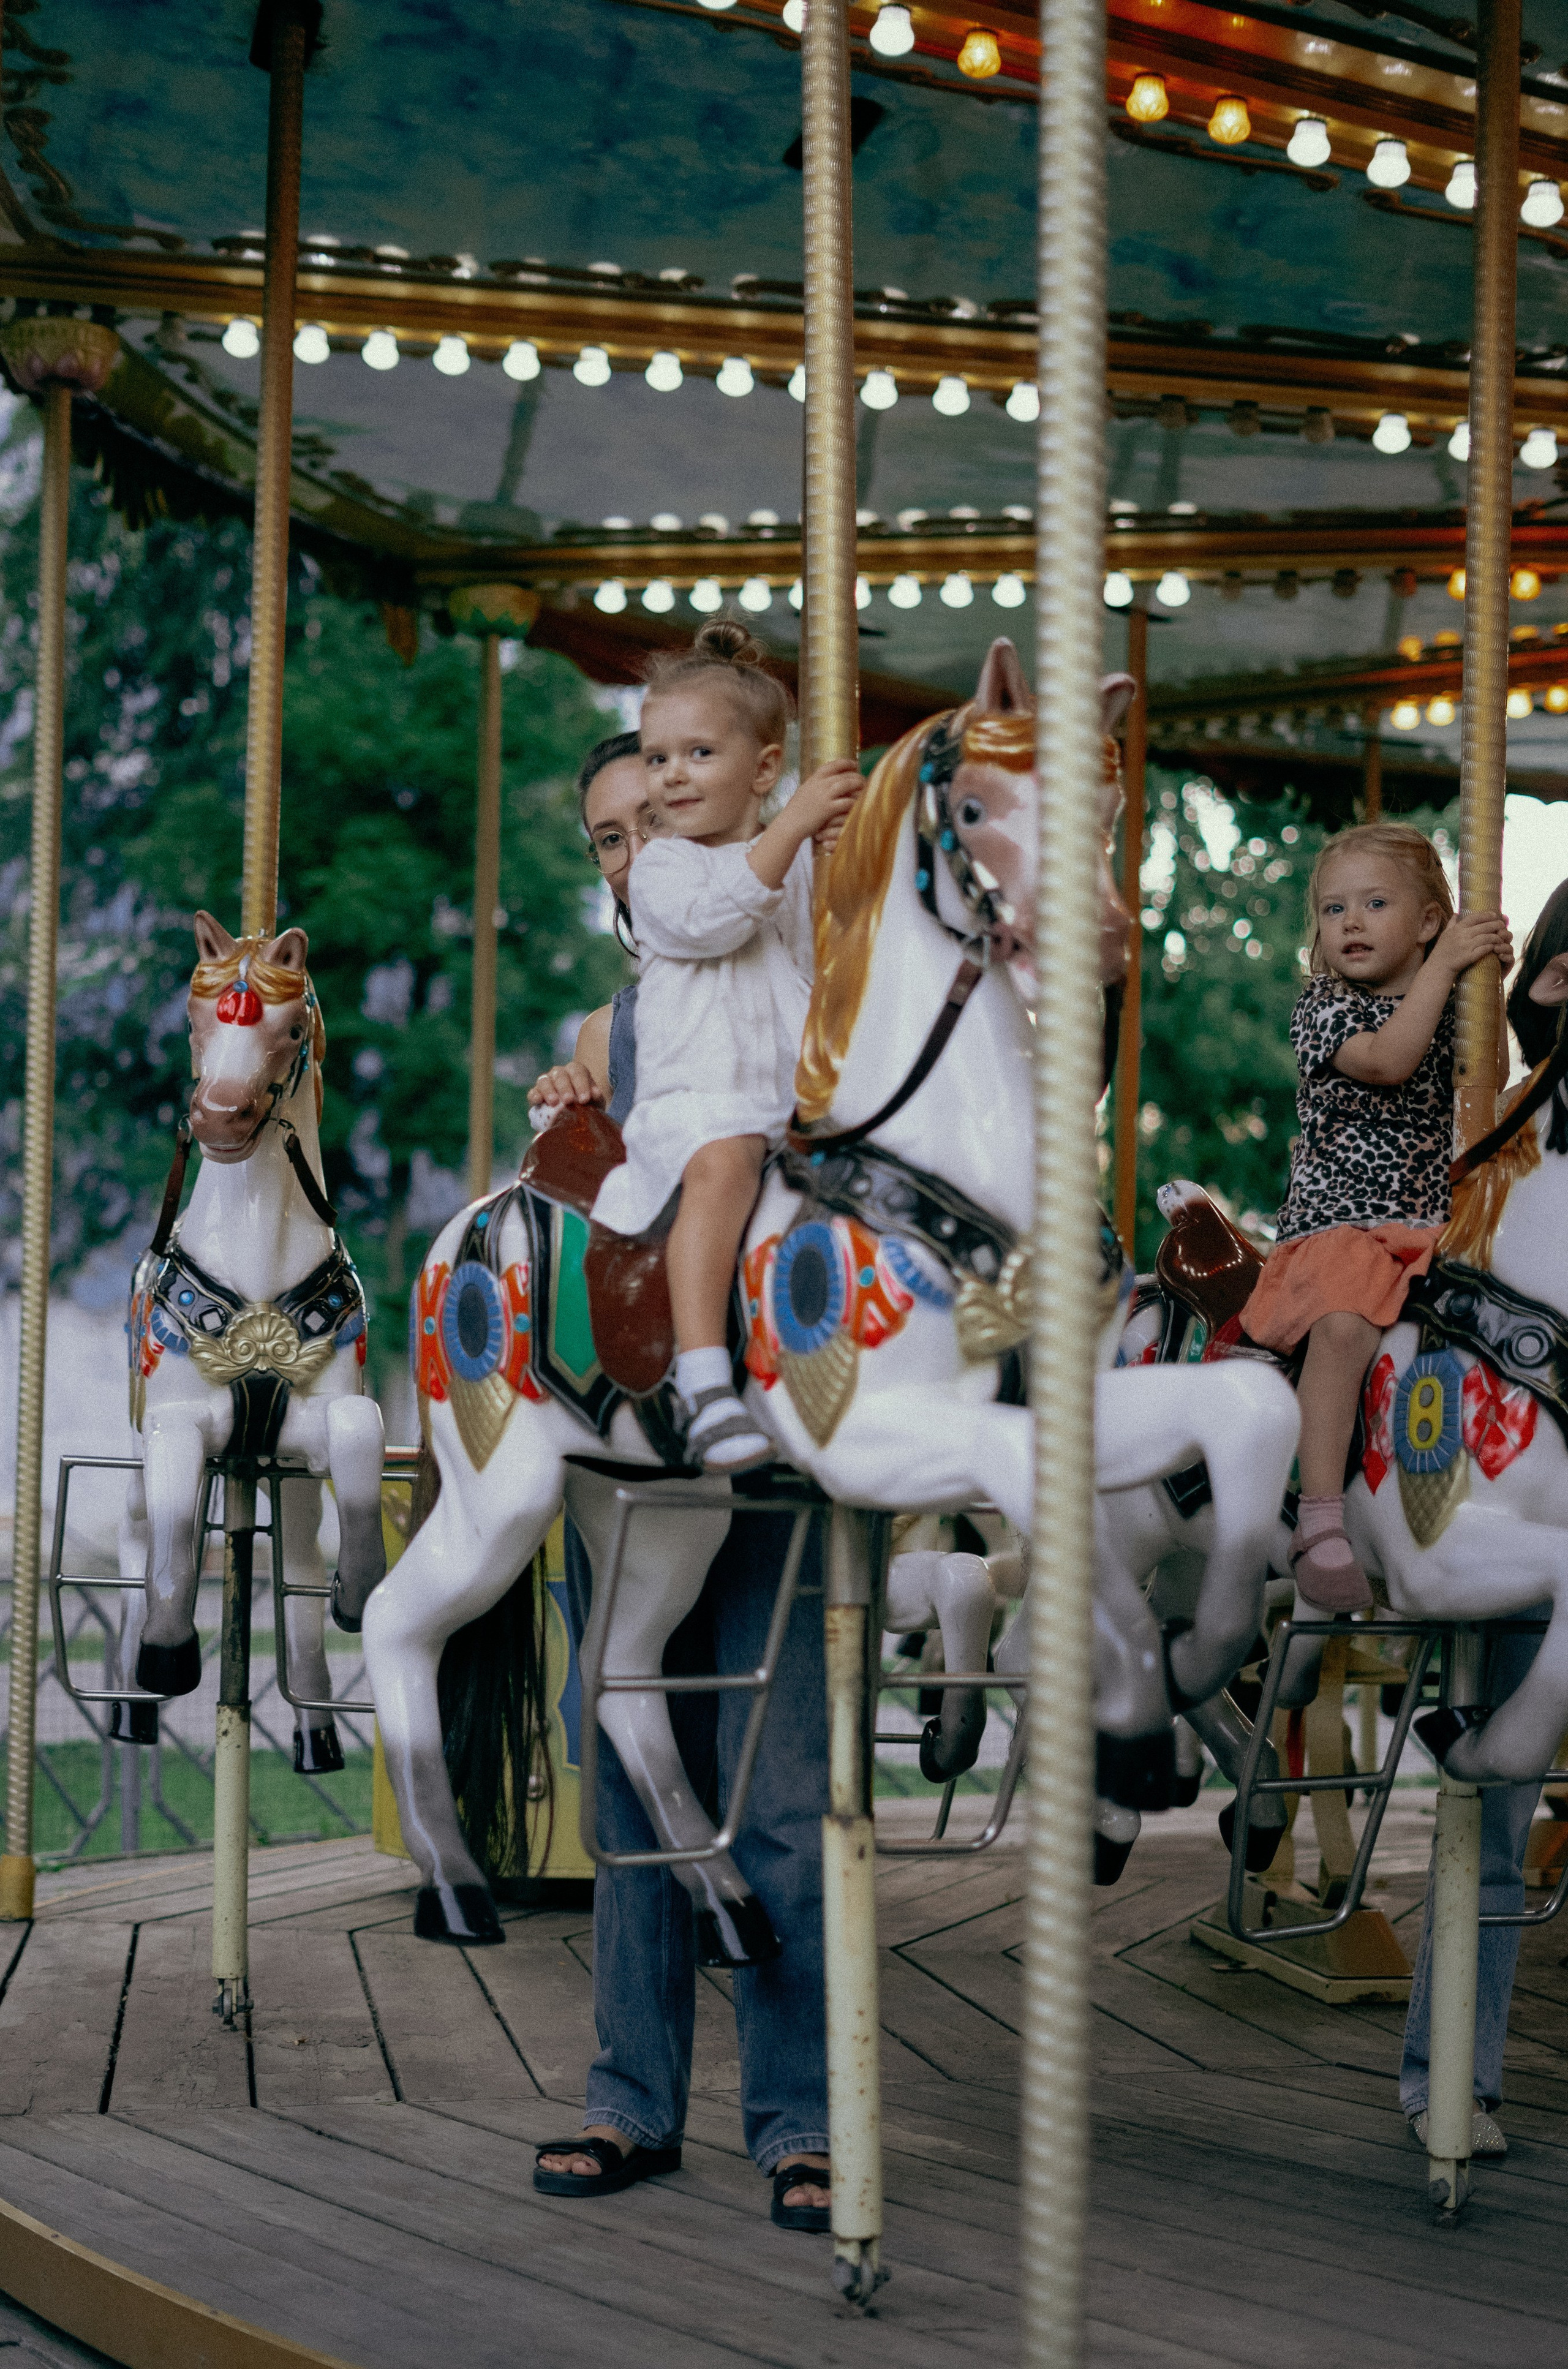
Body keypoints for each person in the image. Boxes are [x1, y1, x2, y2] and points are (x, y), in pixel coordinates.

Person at [527, 728, 833, 2230]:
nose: (624, 850)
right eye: (600, 837)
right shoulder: (618, 1010)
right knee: (635, 1778)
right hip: (635, 1451)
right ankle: (628, 2094)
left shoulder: (794, 942)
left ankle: (797, 2113)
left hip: (758, 1443)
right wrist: (572, 1118)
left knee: (772, 1788)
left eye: (640, 817)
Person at [586, 619, 862, 1473]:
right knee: (726, 1163)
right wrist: (795, 829)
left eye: (697, 754)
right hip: (697, 1109)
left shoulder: (790, 858)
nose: (670, 775)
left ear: (765, 768)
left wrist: (841, 844)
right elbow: (716, 918)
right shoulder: (667, 867)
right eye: (659, 755)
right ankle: (705, 1382)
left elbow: (841, 931)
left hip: (787, 1103)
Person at [1242, 823, 1512, 1612]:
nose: (1350, 922)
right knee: (1347, 1324)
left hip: (1432, 1221)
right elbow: (1389, 1061)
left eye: (1375, 903)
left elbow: (1491, 1078)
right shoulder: (1323, 1008)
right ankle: (1321, 1513)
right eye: (1333, 909)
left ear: (1429, 922)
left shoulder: (1448, 995)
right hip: (1341, 1222)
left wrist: (1491, 980)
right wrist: (1452, 970)